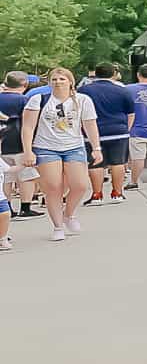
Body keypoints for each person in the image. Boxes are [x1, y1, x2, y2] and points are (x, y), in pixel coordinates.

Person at [19, 67, 102, 241]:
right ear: (49, 83)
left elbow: (90, 125)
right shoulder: (38, 99)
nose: (58, 82)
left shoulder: (82, 100)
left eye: (62, 79)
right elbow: (27, 127)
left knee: (80, 185)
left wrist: (96, 148)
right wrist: (28, 151)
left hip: (74, 146)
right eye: (54, 79)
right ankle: (57, 226)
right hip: (46, 147)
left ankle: (69, 214)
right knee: (53, 187)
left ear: (70, 81)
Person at [78, 63, 136, 203]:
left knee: (95, 163)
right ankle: (117, 192)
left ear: (95, 74)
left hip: (92, 132)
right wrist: (126, 129)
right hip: (118, 131)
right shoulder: (123, 90)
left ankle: (97, 194)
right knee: (118, 162)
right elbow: (130, 113)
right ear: (114, 74)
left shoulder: (83, 90)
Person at [0, 70, 40, 219]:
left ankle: (7, 207)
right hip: (19, 142)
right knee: (26, 176)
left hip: (2, 143)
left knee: (6, 176)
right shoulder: (24, 100)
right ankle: (25, 207)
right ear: (25, 84)